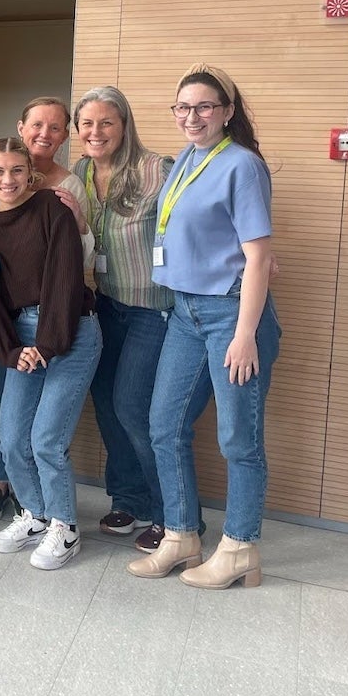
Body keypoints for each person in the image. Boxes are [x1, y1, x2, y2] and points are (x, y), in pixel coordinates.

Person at [128, 64, 280, 590]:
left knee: (239, 437)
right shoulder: (187, 159)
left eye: (204, 107)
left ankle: (240, 547)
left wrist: (244, 335)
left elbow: (259, 258)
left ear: (227, 112)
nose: (192, 117)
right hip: (185, 313)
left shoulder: (241, 165)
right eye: (183, 108)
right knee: (163, 425)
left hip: (232, 315)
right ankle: (182, 535)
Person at [0, 138, 101, 570]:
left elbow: (66, 278)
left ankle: (66, 527)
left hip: (71, 332)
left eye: (17, 170)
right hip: (24, 338)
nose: (8, 179)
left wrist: (45, 345)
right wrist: (11, 351)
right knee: (10, 438)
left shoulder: (52, 210)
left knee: (46, 440)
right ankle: (37, 515)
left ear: (32, 173)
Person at [72, 86, 175, 551]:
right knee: (108, 406)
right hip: (103, 305)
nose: (96, 132)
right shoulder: (79, 172)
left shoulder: (159, 169)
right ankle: (128, 500)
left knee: (134, 407)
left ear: (125, 124)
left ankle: (169, 514)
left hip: (153, 308)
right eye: (87, 123)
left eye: (106, 122)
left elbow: (195, 226)